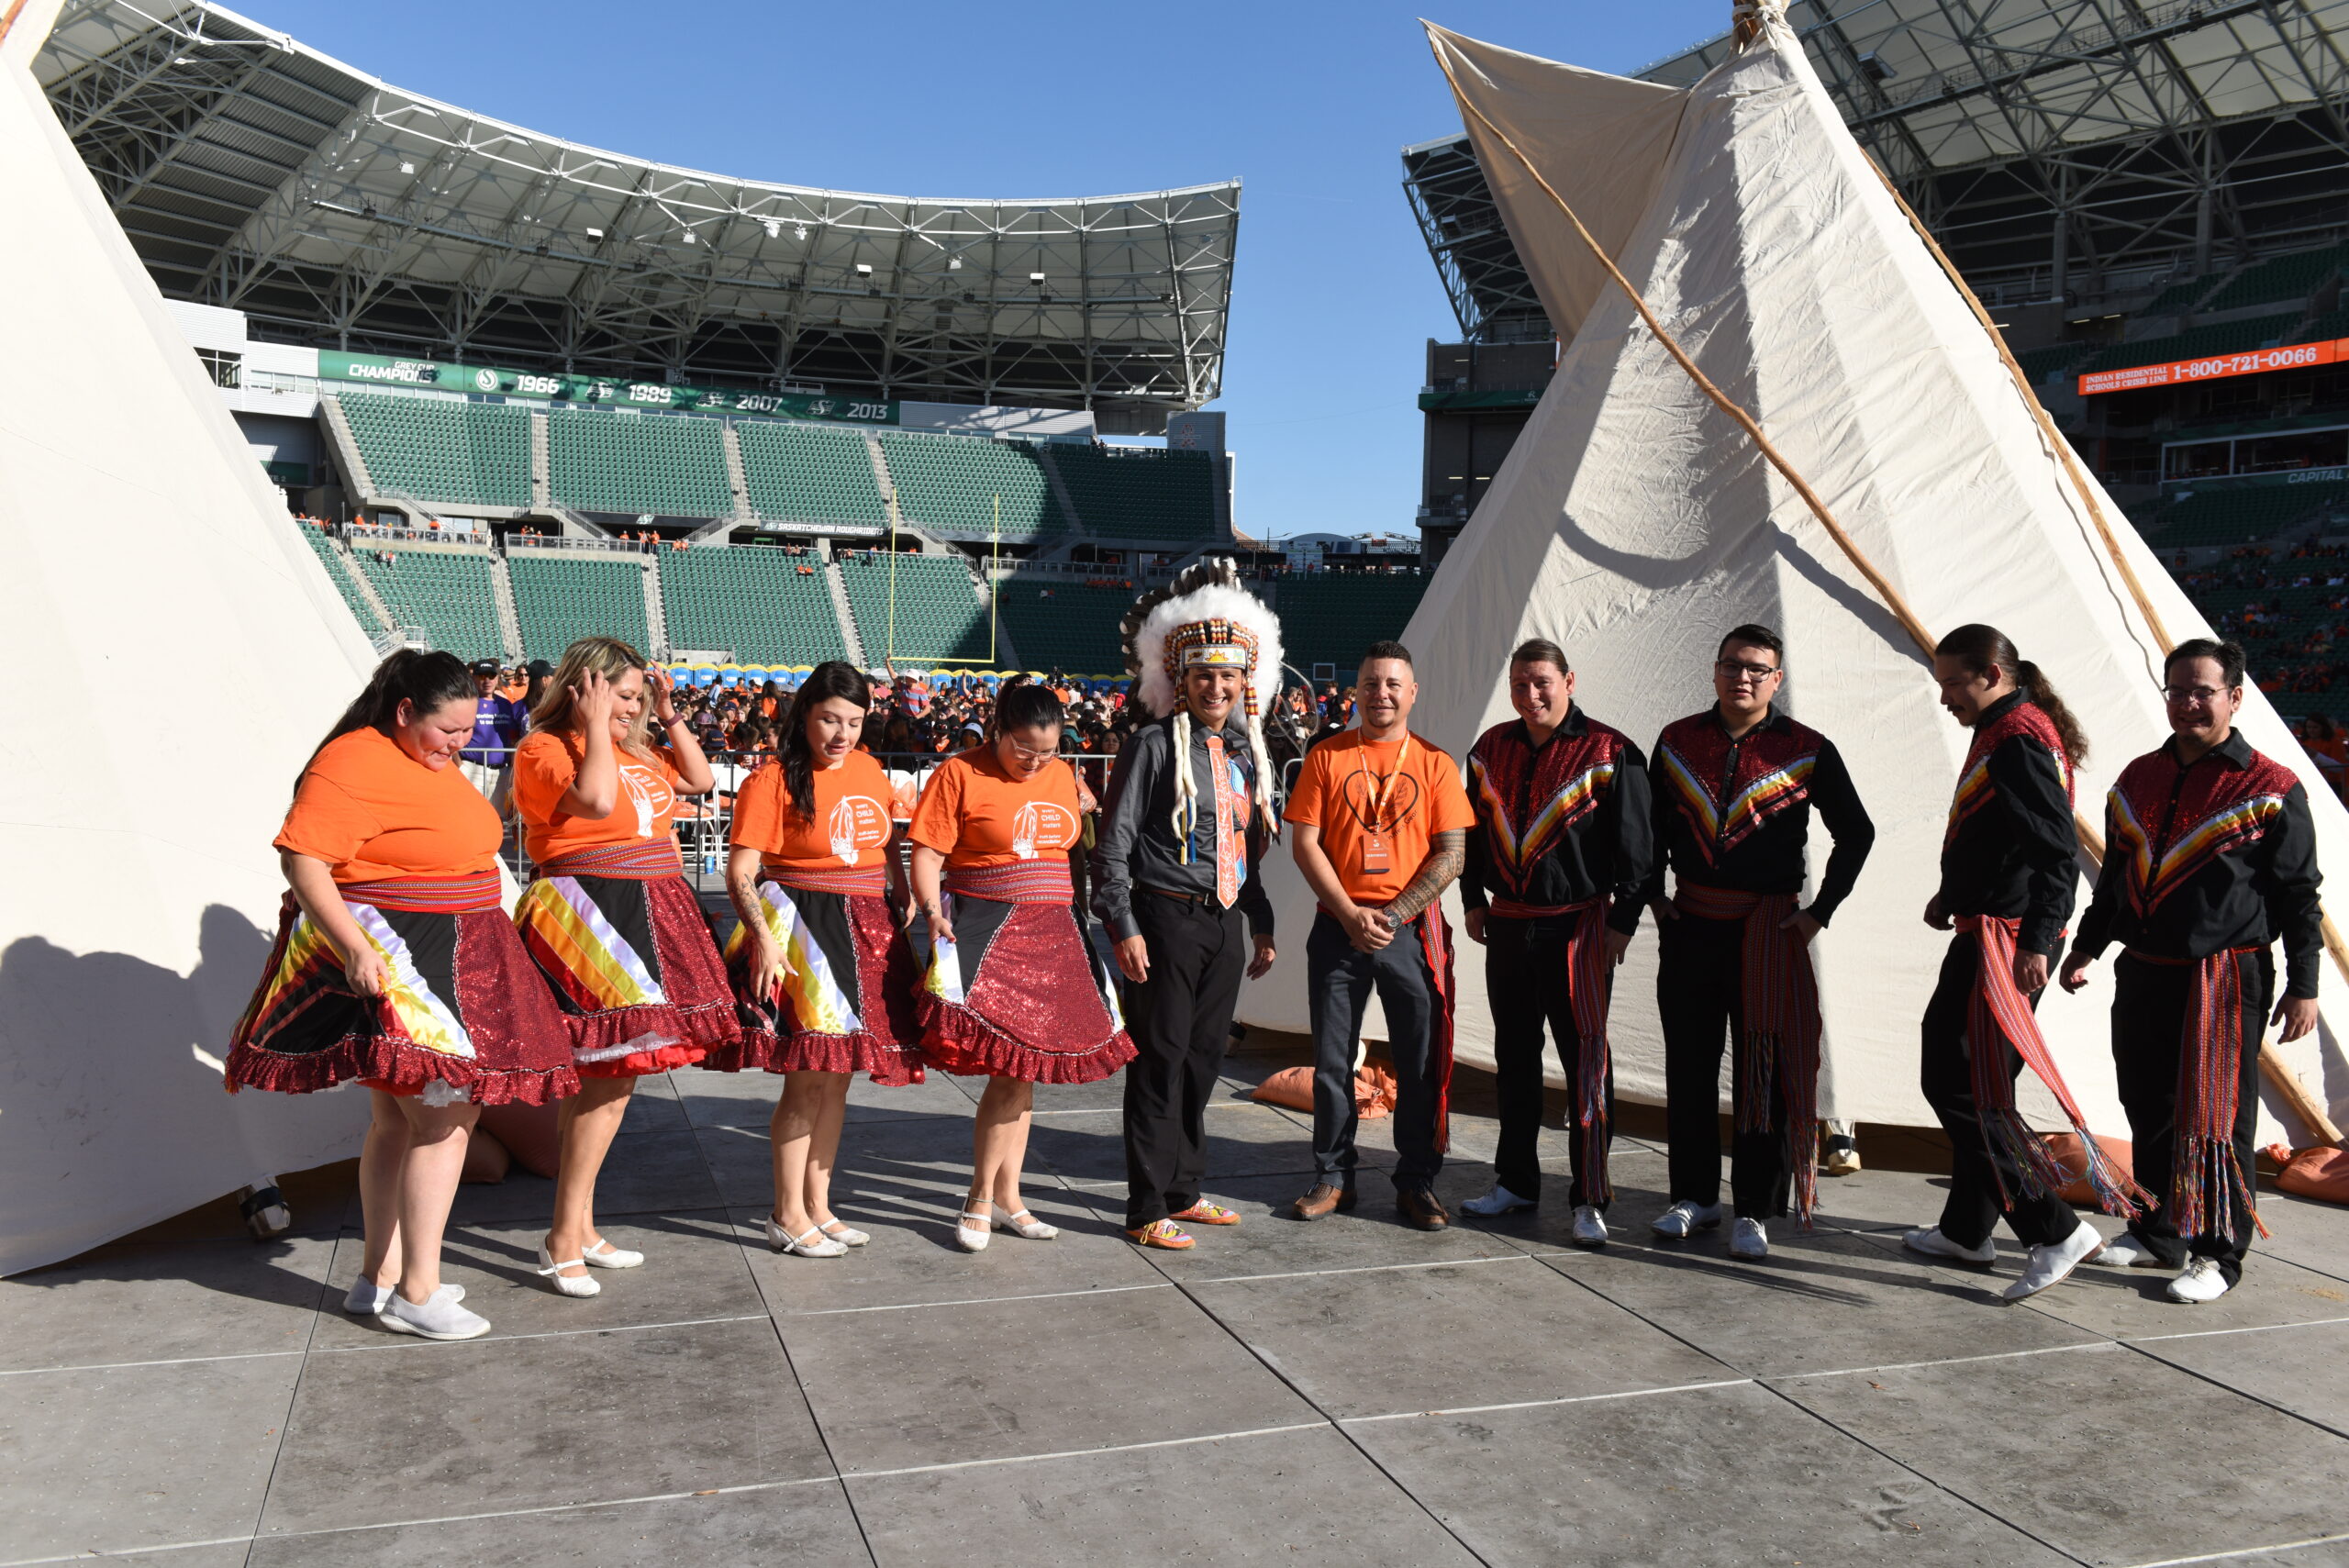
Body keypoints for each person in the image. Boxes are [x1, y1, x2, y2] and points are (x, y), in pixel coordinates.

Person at [223, 651, 576, 1341]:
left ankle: (379, 1276)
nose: (460, 743)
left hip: (457, 949)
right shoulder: (352, 760)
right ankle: (418, 1288)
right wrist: (356, 947)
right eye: (447, 730)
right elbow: (303, 859)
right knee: (443, 1119)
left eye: (468, 730)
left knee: (399, 1121)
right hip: (409, 957)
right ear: (405, 711)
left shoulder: (419, 761)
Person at [2060, 639, 2321, 1303]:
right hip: (2145, 968)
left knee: (2219, 1117)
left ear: (2235, 696)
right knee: (2148, 1103)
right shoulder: (2140, 776)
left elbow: (2299, 895)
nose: (2188, 702)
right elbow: (2117, 879)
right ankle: (2157, 1229)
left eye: (2203, 690)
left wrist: (2305, 983)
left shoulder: (2272, 786)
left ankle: (2218, 1253)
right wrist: (2089, 945)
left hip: (2226, 978)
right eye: (2177, 689)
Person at [1908, 624, 2150, 1301]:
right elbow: (2000, 841)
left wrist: (2041, 938)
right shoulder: (2009, 727)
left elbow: (2052, 851)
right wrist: (1952, 895)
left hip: (2004, 942)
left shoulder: (2015, 739)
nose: (1946, 697)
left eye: (1955, 682)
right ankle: (1965, 1227)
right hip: (1987, 925)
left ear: (1992, 672)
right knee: (1978, 1081)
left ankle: (2052, 1227)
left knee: (1956, 1082)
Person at [510, 637, 733, 1296]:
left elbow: (697, 780)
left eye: (635, 695)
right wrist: (589, 724)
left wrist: (668, 716)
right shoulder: (543, 748)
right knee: (604, 1078)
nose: (628, 706)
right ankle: (560, 1236)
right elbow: (598, 802)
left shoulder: (636, 748)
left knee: (617, 1082)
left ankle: (579, 1226)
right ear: (581, 689)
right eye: (618, 694)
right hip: (590, 913)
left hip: (650, 908)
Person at [1643, 625, 1875, 1259]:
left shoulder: (1806, 748)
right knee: (1688, 1067)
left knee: (1762, 1073)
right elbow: (1647, 829)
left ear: (1777, 678)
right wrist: (1653, 899)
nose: (1742, 677)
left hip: (1768, 931)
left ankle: (1754, 1207)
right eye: (1731, 665)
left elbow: (1857, 832)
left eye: (1756, 668)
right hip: (1691, 926)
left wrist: (1818, 913)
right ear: (1714, 670)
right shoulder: (1676, 740)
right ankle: (1693, 1196)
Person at [1092, 562, 1282, 1250]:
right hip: (1165, 917)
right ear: (1181, 680)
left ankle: (1185, 1188)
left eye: (1229, 676)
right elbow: (1110, 848)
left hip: (1222, 923)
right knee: (1160, 1059)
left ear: (1243, 684)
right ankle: (1146, 1205)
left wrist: (1259, 923)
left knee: (1204, 1059)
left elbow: (1245, 848)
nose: (1217, 686)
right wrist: (1126, 926)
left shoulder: (1244, 756)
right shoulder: (1148, 745)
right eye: (1204, 675)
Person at [908, 684, 1136, 1251]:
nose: (1035, 761)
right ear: (997, 731)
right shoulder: (958, 773)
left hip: (1054, 930)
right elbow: (929, 853)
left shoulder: (1061, 775)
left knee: (1028, 1070)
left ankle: (1010, 1197)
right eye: (1024, 748)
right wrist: (932, 911)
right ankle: (980, 1195)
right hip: (990, 931)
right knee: (1008, 1071)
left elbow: (1074, 846)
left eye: (1047, 751)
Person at [717, 661, 924, 1259]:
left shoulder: (868, 767)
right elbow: (740, 871)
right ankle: (786, 1213)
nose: (842, 734)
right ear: (805, 713)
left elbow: (884, 834)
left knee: (837, 1081)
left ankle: (819, 1206)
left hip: (865, 928)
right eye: (830, 718)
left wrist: (900, 882)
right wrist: (763, 936)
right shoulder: (772, 779)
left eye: (855, 722)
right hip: (802, 927)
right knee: (806, 1081)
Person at [1455, 638, 1653, 1248]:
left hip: (1580, 927)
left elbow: (1641, 849)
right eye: (1520, 685)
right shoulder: (1490, 748)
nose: (1531, 695)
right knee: (1514, 1057)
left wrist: (1623, 920)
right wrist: (1470, 900)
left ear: (1569, 679)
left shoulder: (1611, 749)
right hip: (1509, 923)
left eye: (1542, 682)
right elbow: (1468, 832)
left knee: (1585, 1061)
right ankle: (1514, 1181)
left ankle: (1590, 1194)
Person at [1285, 640, 1475, 1229]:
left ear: (1412, 692)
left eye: (1393, 683)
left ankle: (1416, 1180)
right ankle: (1333, 1176)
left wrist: (1391, 916)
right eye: (1371, 682)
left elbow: (1453, 854)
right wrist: (1348, 914)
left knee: (1419, 1061)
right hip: (1337, 927)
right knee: (1332, 1060)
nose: (1382, 693)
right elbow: (1305, 843)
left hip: (1409, 931)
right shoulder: (1328, 756)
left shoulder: (1435, 763)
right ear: (1356, 689)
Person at [458, 657, 522, 804]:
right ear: (473, 678)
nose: (487, 680)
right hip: (472, 770)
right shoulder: (466, 703)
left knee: (498, 820)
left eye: (491, 676)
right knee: (473, 816)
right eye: (482, 676)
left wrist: (511, 769)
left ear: (497, 678)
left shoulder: (505, 704)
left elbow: (512, 737)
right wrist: (460, 766)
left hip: (500, 773)